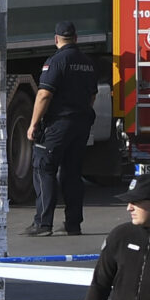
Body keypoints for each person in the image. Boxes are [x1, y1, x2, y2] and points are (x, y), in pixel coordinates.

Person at [26, 20, 100, 236]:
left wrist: (33, 124)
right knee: (72, 173)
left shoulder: (56, 61)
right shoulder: (88, 62)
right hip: (81, 124)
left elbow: (44, 94)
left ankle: (43, 223)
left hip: (58, 125)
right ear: (76, 38)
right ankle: (73, 224)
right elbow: (92, 95)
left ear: (56, 39)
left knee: (44, 168)